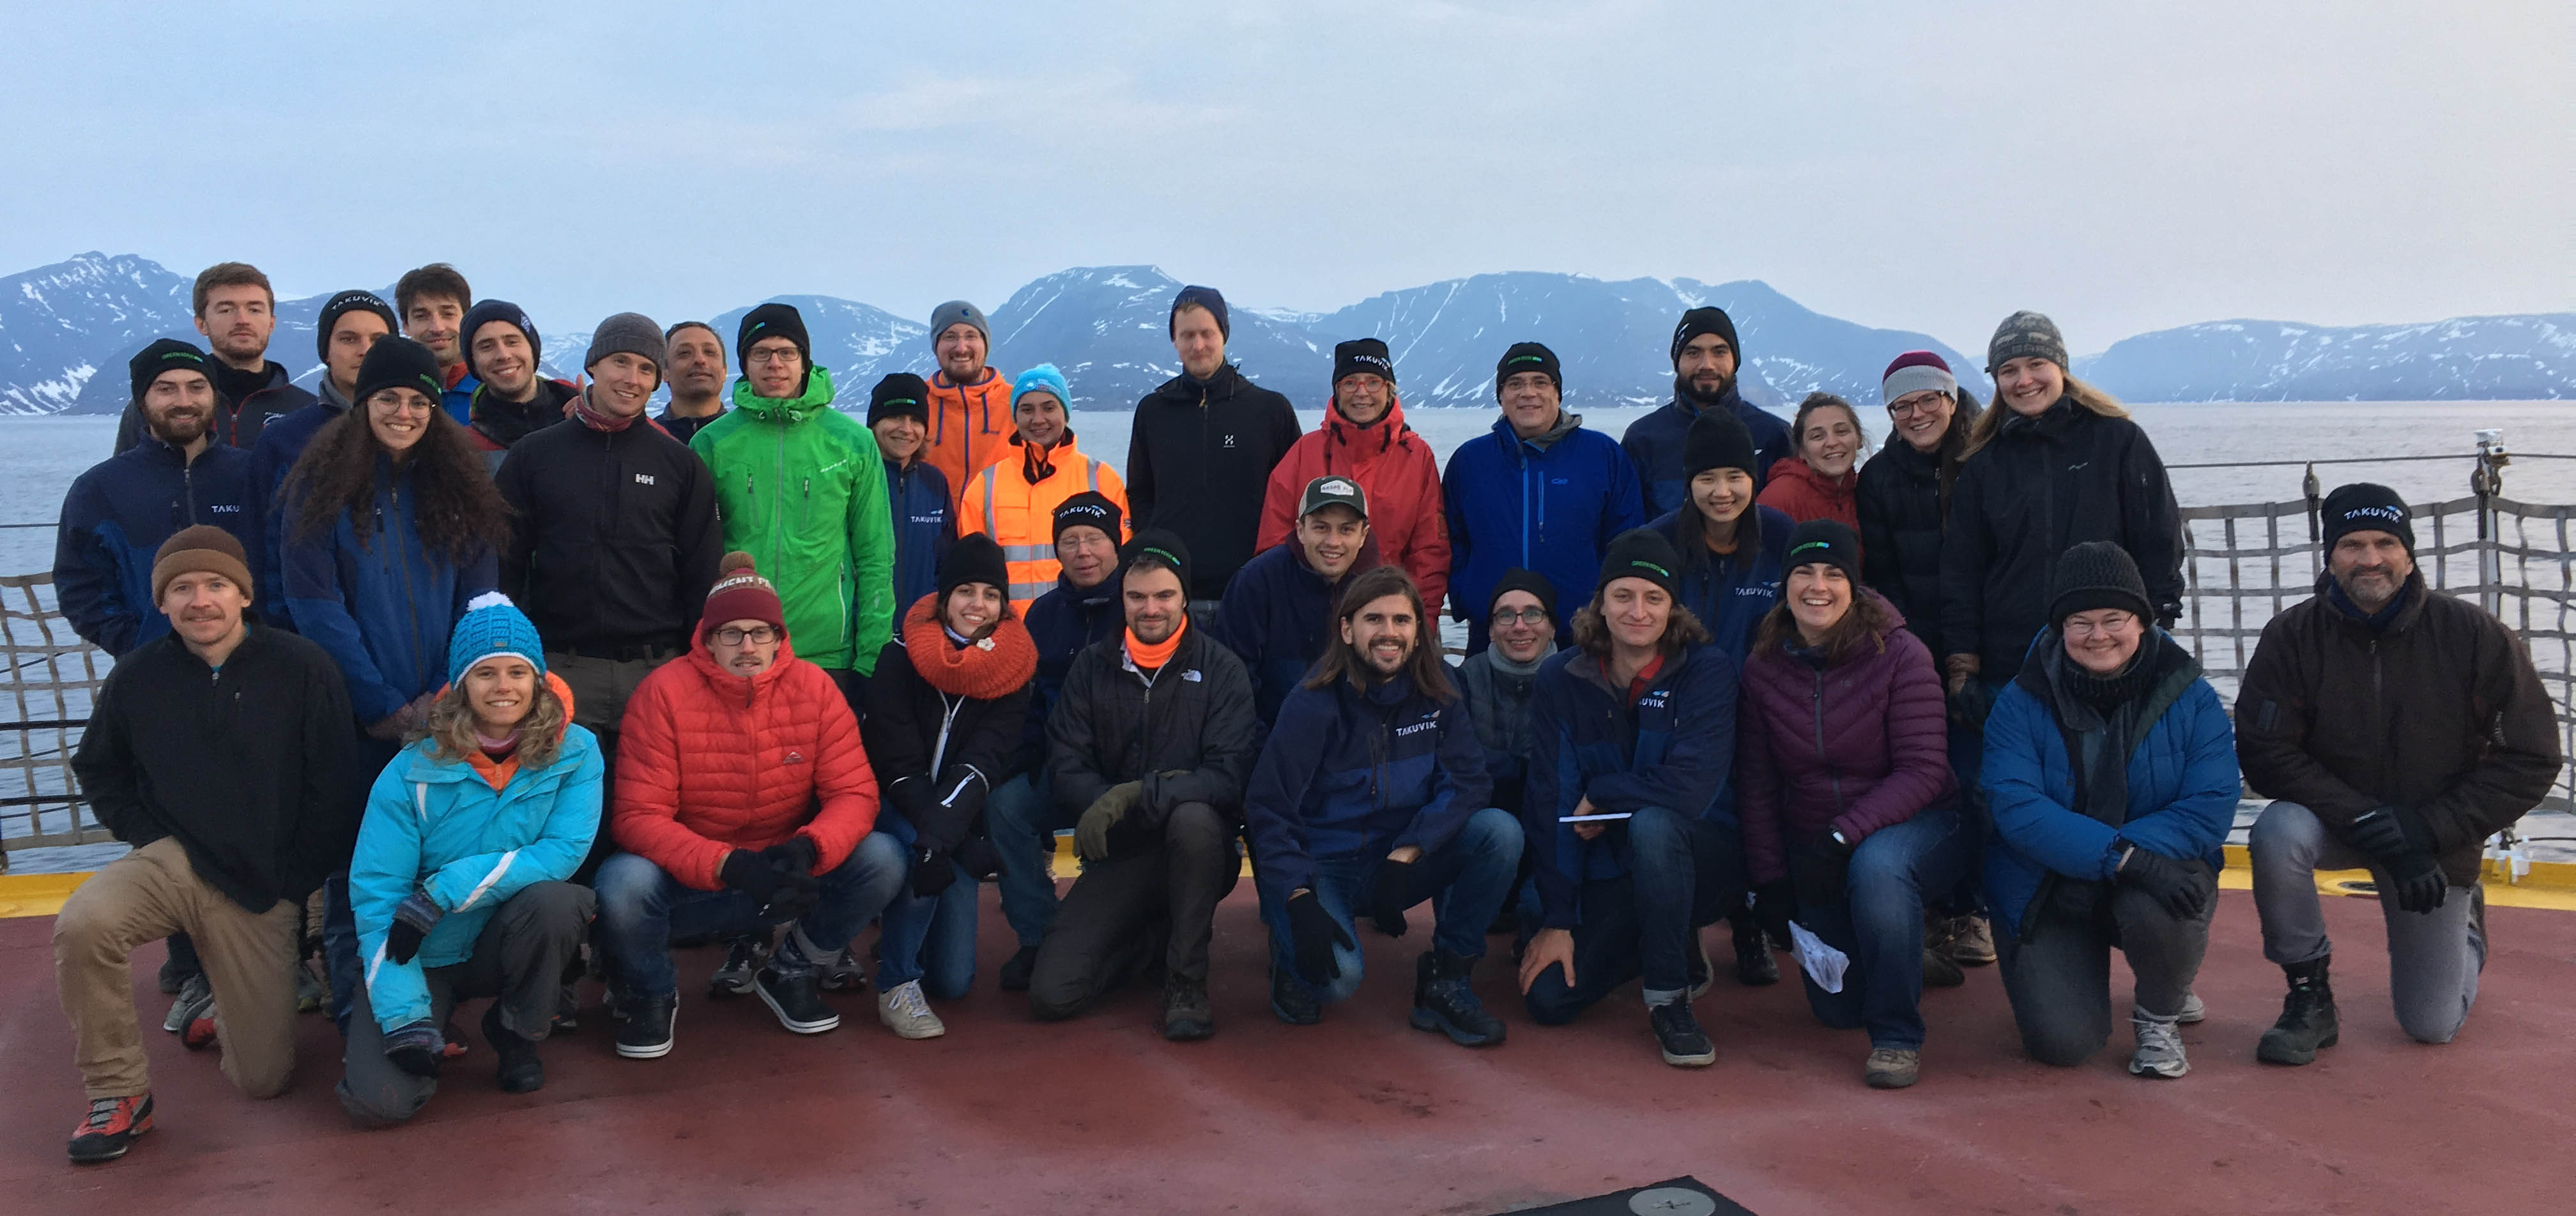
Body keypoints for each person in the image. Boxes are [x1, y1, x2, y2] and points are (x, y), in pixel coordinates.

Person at [56, 526, 357, 1164]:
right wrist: (151, 837)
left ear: (243, 594)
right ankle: (119, 1092)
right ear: (162, 602)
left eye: (217, 584)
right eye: (182, 588)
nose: (201, 600)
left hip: (264, 885)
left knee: (263, 1081)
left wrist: (291, 884)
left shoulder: (303, 668)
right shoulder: (139, 676)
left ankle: (225, 1006)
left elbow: (334, 787)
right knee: (84, 923)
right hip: (175, 861)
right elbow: (98, 768)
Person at [2236, 486, 2559, 1063]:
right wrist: (2362, 815)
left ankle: (2467, 931)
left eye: (2386, 542)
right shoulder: (2291, 637)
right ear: (2329, 554)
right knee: (2277, 833)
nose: (2370, 558)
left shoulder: (2473, 634)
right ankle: (2309, 997)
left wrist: (2429, 831)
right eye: (2352, 544)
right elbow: (2265, 752)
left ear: (2409, 553)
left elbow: (2531, 758)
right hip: (2337, 823)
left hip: (2434, 839)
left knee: (2431, 1024)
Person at [279, 336, 508, 1035]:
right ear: (362, 401)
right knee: (358, 875)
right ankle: (359, 1011)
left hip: (445, 716)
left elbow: (481, 599)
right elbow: (316, 606)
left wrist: (446, 696)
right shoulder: (320, 490)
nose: (405, 412)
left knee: (438, 864)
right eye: (390, 398)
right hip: (357, 720)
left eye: (419, 401)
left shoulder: (460, 489)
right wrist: (380, 703)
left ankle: (431, 1002)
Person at [600, 554, 906, 1056]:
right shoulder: (662, 693)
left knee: (883, 858)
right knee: (623, 882)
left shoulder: (816, 690)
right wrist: (726, 863)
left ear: (780, 637)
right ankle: (652, 993)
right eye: (732, 633)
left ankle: (793, 968)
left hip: (785, 868)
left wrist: (809, 850)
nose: (748, 646)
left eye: (761, 632)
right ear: (708, 638)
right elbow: (637, 817)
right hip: (696, 877)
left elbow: (854, 793)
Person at [337, 595, 601, 1125]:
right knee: (376, 1104)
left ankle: (518, 1032)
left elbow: (562, 851)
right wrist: (405, 1018)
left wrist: (442, 891)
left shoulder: (577, 752)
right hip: (421, 950)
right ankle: (425, 1016)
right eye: (485, 673)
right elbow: (378, 893)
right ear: (461, 685)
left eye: (516, 672)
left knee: (558, 902)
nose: (503, 686)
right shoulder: (408, 772)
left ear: (538, 681)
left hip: (501, 939)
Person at [1981, 542, 2234, 1078]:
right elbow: (2016, 807)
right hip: (2047, 881)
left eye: (2114, 618)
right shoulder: (2020, 700)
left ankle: (2159, 1013)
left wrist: (2128, 860)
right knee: (2063, 1043)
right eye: (2080, 622)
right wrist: (2117, 856)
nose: (2099, 636)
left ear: (2141, 620)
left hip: (2153, 872)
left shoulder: (2192, 696)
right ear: (2059, 629)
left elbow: (2210, 807)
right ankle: (2078, 969)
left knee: (2164, 907)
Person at [1736, 521, 1972, 1089]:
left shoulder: (1900, 654)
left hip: (1916, 821)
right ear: (1785, 584)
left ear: (1854, 585)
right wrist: (1770, 881)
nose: (1818, 586)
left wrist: (1843, 836)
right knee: (1837, 1011)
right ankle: (1902, 952)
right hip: (1815, 837)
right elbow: (1757, 782)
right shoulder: (1763, 666)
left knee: (1878, 870)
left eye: (1834, 574)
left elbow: (1924, 769)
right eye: (1804, 572)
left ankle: (1896, 1036)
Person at [1246, 565, 1518, 1044]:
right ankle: (1289, 953)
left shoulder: (1441, 693)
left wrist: (1410, 850)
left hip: (1395, 858)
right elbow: (1269, 809)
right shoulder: (1312, 703)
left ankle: (1447, 976)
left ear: (1419, 630)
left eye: (1402, 620)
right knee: (1337, 980)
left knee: (1498, 833)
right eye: (1375, 620)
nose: (1389, 633)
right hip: (1322, 864)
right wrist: (1297, 895)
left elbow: (1469, 783)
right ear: (1348, 630)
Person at [493, 314, 723, 865]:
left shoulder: (679, 464)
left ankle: (632, 938)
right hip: (561, 667)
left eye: (647, 368)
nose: (633, 378)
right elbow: (502, 562)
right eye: (622, 362)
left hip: (656, 668)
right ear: (593, 365)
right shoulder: (534, 456)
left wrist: (693, 663)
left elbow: (700, 572)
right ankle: (571, 938)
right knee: (557, 819)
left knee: (649, 814)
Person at [1517, 529, 1742, 1068]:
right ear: (1600, 603)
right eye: (1623, 595)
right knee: (1547, 997)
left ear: (1673, 607)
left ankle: (1669, 1000)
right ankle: (1655, 938)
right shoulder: (1561, 677)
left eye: (1654, 598)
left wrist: (1607, 791)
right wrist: (1558, 919)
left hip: (1704, 856)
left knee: (1655, 827)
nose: (1638, 611)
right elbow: (1554, 800)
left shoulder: (1706, 671)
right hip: (1612, 864)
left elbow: (1689, 791)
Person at [1031, 531, 1259, 1038]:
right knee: (1053, 994)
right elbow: (1066, 762)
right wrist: (1103, 806)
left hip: (1199, 849)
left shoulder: (1222, 670)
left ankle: (1186, 980)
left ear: (1184, 596)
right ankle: (1148, 941)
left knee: (1196, 819)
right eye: (1137, 597)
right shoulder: (1092, 666)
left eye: (1164, 596)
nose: (1150, 609)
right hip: (1124, 850)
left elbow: (1227, 777)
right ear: (1122, 598)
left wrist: (1133, 795)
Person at [1941, 311, 2182, 734]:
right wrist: (1963, 663)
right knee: (2019, 784)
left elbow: (2159, 541)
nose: (2024, 380)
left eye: (2037, 365)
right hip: (2012, 660)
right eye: (2009, 370)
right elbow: (1963, 569)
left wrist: (2154, 625)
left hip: (2106, 651)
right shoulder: (1984, 464)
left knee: (2113, 785)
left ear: (2061, 369)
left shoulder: (2118, 441)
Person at [860, 535, 1037, 1038]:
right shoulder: (899, 658)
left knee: (954, 981)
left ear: (1003, 604)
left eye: (989, 593)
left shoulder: (1015, 670)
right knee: (921, 857)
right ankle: (896, 984)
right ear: (943, 598)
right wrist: (944, 840)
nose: (976, 605)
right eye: (965, 591)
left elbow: (983, 763)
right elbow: (896, 766)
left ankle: (903, 928)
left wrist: (949, 830)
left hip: (955, 811)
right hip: (893, 802)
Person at [1857, 351, 1996, 971]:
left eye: (1926, 399)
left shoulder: (1987, 462)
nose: (1916, 413)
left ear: (1950, 397)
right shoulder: (1879, 478)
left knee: (1980, 781)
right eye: (1902, 404)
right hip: (1915, 652)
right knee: (1926, 780)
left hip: (1990, 647)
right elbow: (1883, 575)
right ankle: (1938, 908)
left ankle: (1975, 910)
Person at [689, 303, 898, 696]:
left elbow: (875, 554)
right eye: (761, 353)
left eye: (787, 352)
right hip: (740, 648)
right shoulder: (713, 443)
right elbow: (694, 556)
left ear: (804, 361)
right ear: (745, 364)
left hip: (827, 653)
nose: (775, 364)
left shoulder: (852, 441)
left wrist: (871, 655)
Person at [989, 492, 1128, 989]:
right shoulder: (1043, 615)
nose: (1083, 551)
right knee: (1006, 807)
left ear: (1117, 544)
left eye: (1094, 539)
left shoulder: (1139, 607)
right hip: (1058, 764)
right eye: (1070, 541)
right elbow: (1030, 701)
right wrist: (1022, 756)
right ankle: (1039, 936)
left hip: (1121, 772)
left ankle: (1109, 934)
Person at [57, 340, 265, 657]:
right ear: (142, 402)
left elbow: (287, 566)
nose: (184, 401)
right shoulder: (99, 489)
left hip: (256, 666)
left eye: (196, 387)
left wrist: (269, 642)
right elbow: (79, 586)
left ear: (213, 396)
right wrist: (138, 645)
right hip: (151, 673)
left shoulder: (255, 475)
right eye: (166, 389)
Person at [1443, 342, 1647, 653]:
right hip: (1493, 632)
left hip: (1582, 635)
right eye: (1515, 384)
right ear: (1501, 396)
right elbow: (1452, 538)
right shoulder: (1470, 461)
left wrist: (1605, 608)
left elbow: (1626, 541)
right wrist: (1466, 596)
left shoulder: (1603, 456)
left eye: (1540, 382)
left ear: (1558, 393)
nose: (1528, 392)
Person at [1124, 285, 1302, 612]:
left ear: (1224, 335)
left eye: (1208, 333)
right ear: (1174, 340)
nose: (1198, 345)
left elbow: (1296, 496)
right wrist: (1153, 546)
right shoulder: (1153, 411)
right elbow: (1140, 491)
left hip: (1255, 589)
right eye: (1187, 335)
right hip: (1173, 593)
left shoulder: (1270, 410)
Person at [1257, 338, 1449, 614]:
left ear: (1389, 389)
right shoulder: (1304, 453)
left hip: (1389, 617)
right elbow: (1274, 543)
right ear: (1337, 390)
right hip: (1309, 614)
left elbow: (1430, 552)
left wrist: (1420, 620)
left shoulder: (1417, 456)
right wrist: (1287, 611)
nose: (1362, 392)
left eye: (1373, 382)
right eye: (1350, 383)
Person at [252, 292, 400, 602]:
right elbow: (264, 549)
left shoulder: (421, 433)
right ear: (326, 351)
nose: (365, 351)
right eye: (348, 339)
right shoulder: (285, 439)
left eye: (378, 339)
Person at [960, 364, 1130, 611]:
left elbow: (1123, 562)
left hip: (1084, 626)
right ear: (1015, 416)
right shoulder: (985, 485)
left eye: (1049, 408)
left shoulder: (1102, 478)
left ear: (1065, 412)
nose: (1038, 419)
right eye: (1027, 409)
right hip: (1007, 632)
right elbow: (969, 571)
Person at [1216, 475, 1382, 728]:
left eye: (1346, 529)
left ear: (1363, 535)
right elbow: (1233, 684)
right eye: (1321, 527)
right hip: (1272, 739)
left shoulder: (1380, 591)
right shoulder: (1256, 582)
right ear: (1300, 530)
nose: (1333, 541)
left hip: (1353, 747)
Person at [114, 263, 312, 453]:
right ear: (202, 324)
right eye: (226, 310)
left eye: (254, 309)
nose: (242, 320)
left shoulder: (307, 410)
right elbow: (123, 477)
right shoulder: (161, 406)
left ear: (271, 323)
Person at [1621, 307, 1793, 517]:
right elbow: (1628, 528)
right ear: (1677, 362)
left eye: (1719, 352)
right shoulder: (1642, 439)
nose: (1707, 365)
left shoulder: (1774, 435)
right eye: (1693, 353)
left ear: (1735, 360)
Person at [1452, 570, 1558, 823]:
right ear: (1490, 630)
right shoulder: (1463, 680)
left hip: (1556, 816)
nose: (1520, 626)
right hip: (1484, 818)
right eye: (1506, 615)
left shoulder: (1574, 680)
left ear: (1553, 627)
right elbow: (1459, 762)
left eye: (1533, 614)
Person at [869, 372, 956, 613]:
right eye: (896, 416)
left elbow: (946, 561)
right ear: (874, 424)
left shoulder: (935, 482)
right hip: (865, 629)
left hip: (923, 627)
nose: (907, 429)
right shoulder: (855, 478)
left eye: (916, 420)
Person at [459, 300, 576, 469]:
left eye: (512, 342)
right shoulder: (466, 450)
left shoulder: (586, 419)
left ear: (533, 349)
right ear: (473, 363)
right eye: (486, 347)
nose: (503, 355)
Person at [921, 300, 1014, 515]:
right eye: (950, 337)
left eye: (971, 336)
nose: (961, 348)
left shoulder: (1017, 403)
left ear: (985, 344)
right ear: (937, 345)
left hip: (997, 534)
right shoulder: (918, 403)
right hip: (933, 533)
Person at [1755, 393, 1865, 531]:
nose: (1831, 442)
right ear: (1801, 450)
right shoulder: (1779, 499)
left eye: (1841, 432)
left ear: (1859, 439)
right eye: (1817, 436)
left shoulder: (1866, 490)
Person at [394, 264, 476, 422]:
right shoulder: (390, 396)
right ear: (406, 326)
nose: (437, 328)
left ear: (467, 319)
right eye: (422, 316)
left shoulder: (496, 388)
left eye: (448, 314)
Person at [654, 321, 730, 445]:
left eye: (710, 352)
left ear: (724, 371)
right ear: (665, 372)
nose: (700, 360)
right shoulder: (642, 443)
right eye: (685, 353)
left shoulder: (749, 439)